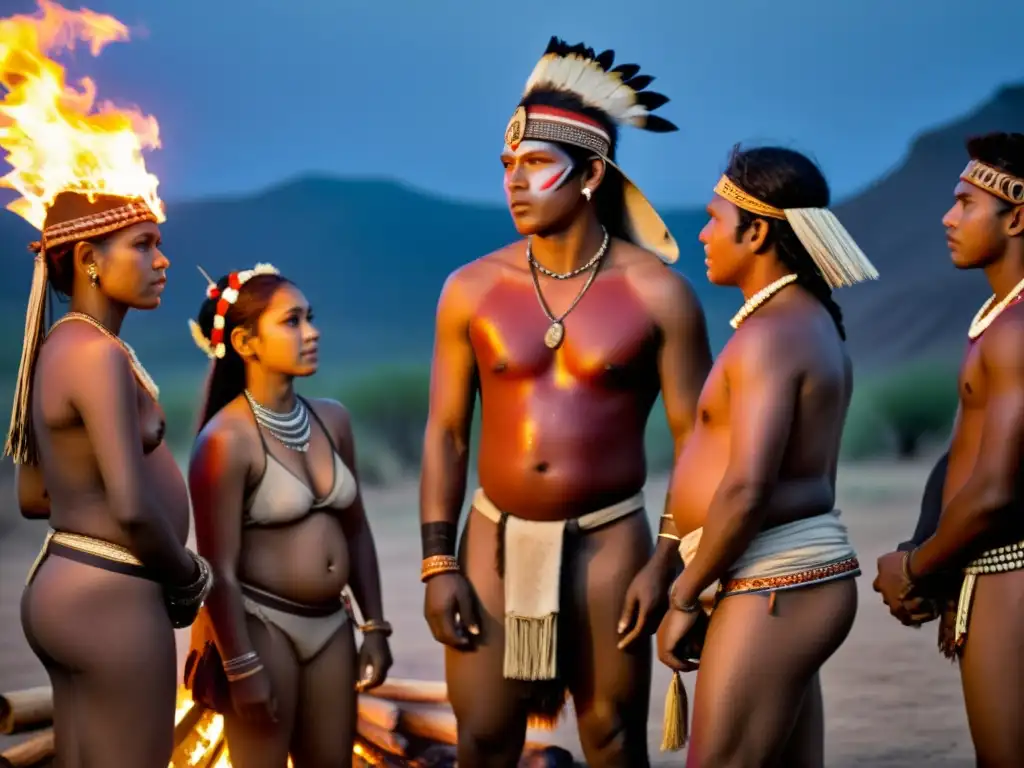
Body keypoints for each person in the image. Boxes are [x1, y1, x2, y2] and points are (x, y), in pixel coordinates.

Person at [420, 36, 712, 768]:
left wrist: (667, 561)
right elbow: (448, 434)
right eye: (508, 167)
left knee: (612, 739)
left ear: (589, 176)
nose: (515, 183)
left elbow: (700, 440)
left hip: (611, 545)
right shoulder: (471, 290)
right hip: (490, 544)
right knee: (483, 739)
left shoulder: (658, 295)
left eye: (536, 166)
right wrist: (436, 565)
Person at [2, 6, 212, 764]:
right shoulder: (95, 356)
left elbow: (33, 497)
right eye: (145, 244)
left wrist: (86, 516)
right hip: (113, 596)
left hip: (64, 585)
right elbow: (129, 504)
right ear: (89, 258)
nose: (162, 260)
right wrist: (189, 577)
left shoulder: (59, 347)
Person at [657, 145, 879, 767]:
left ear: (755, 231)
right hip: (776, 580)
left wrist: (683, 597)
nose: (700, 233)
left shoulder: (774, 334)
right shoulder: (800, 322)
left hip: (775, 583)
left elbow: (746, 488)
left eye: (712, 218)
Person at [183, 264, 392, 768]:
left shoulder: (332, 419)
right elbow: (219, 572)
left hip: (332, 628)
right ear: (246, 342)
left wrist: (375, 628)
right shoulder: (224, 441)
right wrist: (240, 664)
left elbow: (357, 531)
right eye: (292, 321)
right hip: (263, 630)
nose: (312, 332)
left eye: (311, 318)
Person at [874, 132, 1024, 767]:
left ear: (1016, 215)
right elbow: (963, 452)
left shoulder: (1018, 333)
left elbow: (995, 490)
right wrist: (925, 545)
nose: (947, 216)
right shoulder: (1000, 320)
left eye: (965, 203)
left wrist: (917, 569)